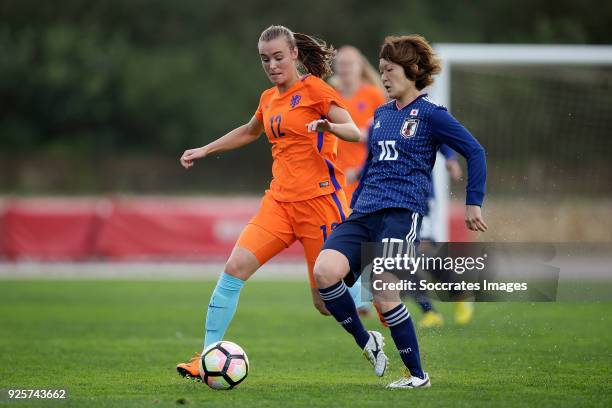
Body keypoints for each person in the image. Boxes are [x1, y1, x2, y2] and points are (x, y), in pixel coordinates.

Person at [176, 25, 361, 380]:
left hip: (320, 204)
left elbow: (353, 130)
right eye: (265, 59)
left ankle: (373, 282)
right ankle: (206, 357)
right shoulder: (268, 98)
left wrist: (328, 126)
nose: (272, 65)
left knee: (324, 304)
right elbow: (249, 131)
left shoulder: (317, 90)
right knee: (234, 269)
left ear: (294, 54)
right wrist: (206, 149)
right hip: (278, 203)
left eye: (278, 57)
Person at [312, 34, 487, 389]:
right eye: (381, 70)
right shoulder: (380, 114)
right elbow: (372, 164)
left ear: (413, 70)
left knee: (384, 291)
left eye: (389, 70)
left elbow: (475, 150)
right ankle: (368, 342)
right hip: (363, 212)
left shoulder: (432, 115)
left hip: (401, 214)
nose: (384, 77)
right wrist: (353, 205)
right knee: (324, 272)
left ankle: (417, 375)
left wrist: (473, 201)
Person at [331, 45, 387, 315]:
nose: (345, 68)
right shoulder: (330, 96)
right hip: (333, 178)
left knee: (362, 236)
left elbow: (385, 131)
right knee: (341, 236)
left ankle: (364, 297)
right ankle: (359, 295)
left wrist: (364, 167)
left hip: (364, 178)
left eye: (350, 63)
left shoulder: (373, 95)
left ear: (359, 66)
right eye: (341, 64)